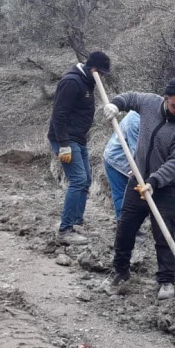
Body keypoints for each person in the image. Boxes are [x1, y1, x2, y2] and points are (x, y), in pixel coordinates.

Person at [100, 77, 175, 300]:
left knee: (164, 234)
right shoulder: (149, 103)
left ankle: (166, 281)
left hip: (166, 187)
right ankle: (120, 271)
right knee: (125, 227)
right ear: (165, 99)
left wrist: (154, 182)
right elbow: (130, 98)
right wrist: (115, 104)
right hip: (138, 179)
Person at [47, 50, 111, 244]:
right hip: (65, 139)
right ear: (93, 70)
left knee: (86, 180)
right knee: (78, 180)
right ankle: (65, 231)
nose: (104, 78)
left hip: (79, 138)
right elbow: (59, 115)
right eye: (102, 74)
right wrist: (64, 145)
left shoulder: (87, 82)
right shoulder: (72, 82)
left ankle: (74, 223)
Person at [102, 111, 139, 222]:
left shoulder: (148, 116)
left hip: (124, 159)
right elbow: (136, 152)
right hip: (116, 161)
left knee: (130, 196)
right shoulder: (135, 121)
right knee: (121, 195)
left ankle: (129, 223)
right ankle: (124, 224)